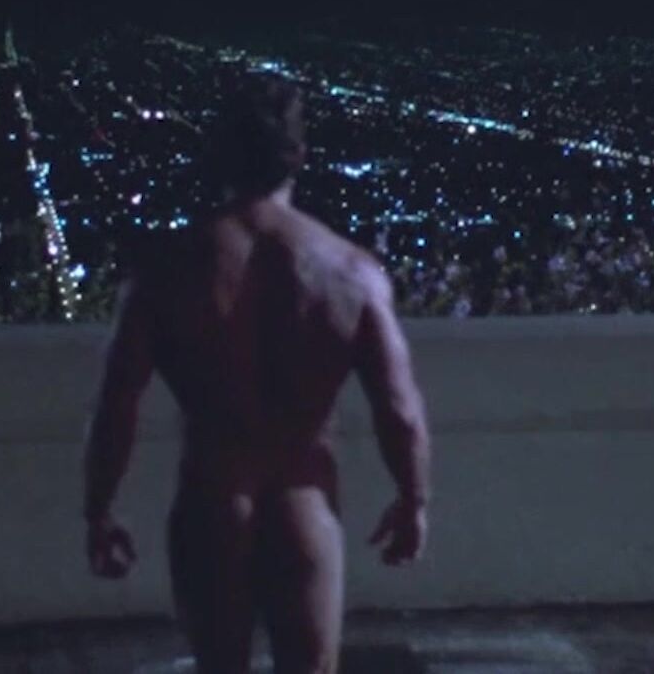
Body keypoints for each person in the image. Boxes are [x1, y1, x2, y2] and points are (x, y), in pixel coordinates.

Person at [81, 76, 433, 674]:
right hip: (304, 499)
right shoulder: (349, 273)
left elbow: (117, 404)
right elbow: (398, 409)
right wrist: (412, 498)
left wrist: (99, 510)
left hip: (212, 497)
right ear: (299, 154)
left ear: (219, 155)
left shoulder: (167, 270)